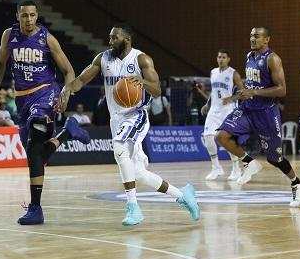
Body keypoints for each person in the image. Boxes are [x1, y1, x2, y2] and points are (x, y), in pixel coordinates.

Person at [57, 23, 200, 226]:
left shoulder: (141, 59)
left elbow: (158, 90)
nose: (110, 41)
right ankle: (183, 195)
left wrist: (142, 81)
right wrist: (66, 89)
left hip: (136, 115)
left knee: (119, 148)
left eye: (115, 37)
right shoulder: (103, 58)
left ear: (127, 39)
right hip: (116, 118)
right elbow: (80, 80)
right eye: (110, 37)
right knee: (139, 174)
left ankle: (133, 207)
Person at [0, 0, 90, 225]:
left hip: (46, 94)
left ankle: (36, 208)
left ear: (37, 16)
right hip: (22, 100)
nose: (29, 19)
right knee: (35, 155)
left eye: (33, 15)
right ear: (18, 16)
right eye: (24, 15)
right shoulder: (9, 35)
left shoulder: (47, 39)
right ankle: (67, 132)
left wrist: (64, 94)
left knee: (34, 146)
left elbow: (68, 71)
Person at [215, 27, 300, 207]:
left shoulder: (273, 59)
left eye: (256, 36)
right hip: (248, 109)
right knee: (221, 136)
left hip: (266, 113)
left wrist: (255, 92)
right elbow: (252, 83)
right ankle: (249, 162)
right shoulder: (249, 56)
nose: (252, 38)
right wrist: (243, 92)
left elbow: (282, 89)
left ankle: (297, 182)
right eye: (251, 35)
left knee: (275, 158)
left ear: (267, 39)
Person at [201, 50, 244, 181]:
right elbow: (214, 92)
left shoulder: (233, 73)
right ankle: (216, 167)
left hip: (228, 109)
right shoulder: (213, 72)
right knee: (208, 137)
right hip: (214, 110)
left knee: (228, 140)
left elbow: (243, 92)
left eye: (224, 57)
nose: (221, 59)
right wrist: (207, 104)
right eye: (219, 57)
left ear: (228, 59)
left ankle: (236, 169)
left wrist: (231, 98)